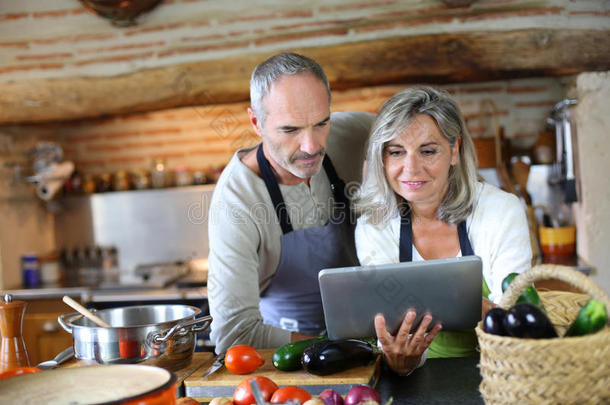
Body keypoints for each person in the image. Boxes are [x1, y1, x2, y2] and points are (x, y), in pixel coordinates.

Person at [353, 87, 532, 373]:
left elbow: (515, 314)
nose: (411, 169)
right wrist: (404, 363)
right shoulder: (373, 225)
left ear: (454, 150)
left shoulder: (501, 210)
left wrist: (469, 306)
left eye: (428, 151)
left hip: (502, 372)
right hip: (420, 379)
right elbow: (395, 326)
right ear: (382, 159)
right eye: (397, 152)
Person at [207, 52, 375, 354]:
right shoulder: (236, 202)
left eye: (322, 124)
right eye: (290, 130)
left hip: (377, 336)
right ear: (256, 123)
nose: (311, 146)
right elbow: (234, 335)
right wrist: (343, 347)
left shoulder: (360, 134)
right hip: (291, 361)